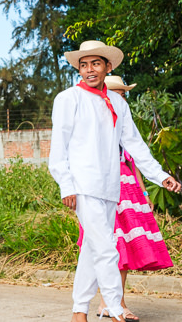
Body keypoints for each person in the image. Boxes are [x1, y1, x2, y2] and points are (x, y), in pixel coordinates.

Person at [49, 40, 182, 322]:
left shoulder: (118, 103)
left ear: (107, 67)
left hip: (110, 187)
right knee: (107, 247)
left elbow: (135, 144)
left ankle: (78, 311)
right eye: (83, 65)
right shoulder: (68, 99)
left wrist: (160, 176)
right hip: (82, 185)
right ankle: (116, 307)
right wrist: (66, 184)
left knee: (92, 250)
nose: (89, 70)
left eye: (95, 64)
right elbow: (58, 148)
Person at [83, 75, 173, 322]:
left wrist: (144, 192)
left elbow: (132, 159)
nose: (122, 97)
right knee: (110, 247)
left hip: (129, 191)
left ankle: (115, 304)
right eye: (118, 93)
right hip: (104, 188)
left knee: (125, 250)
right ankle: (109, 304)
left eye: (123, 93)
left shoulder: (122, 121)